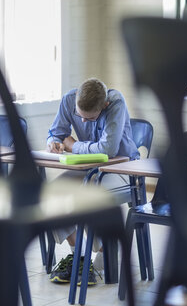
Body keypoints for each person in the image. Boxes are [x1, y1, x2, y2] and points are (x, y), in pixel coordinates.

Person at [46, 78, 139, 284]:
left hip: (122, 169)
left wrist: (73, 145)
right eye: (81, 117)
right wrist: (53, 142)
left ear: (103, 106)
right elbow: (55, 133)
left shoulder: (116, 103)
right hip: (89, 168)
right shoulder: (69, 100)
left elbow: (108, 150)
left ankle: (103, 255)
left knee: (90, 193)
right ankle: (79, 256)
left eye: (91, 118)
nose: (84, 122)